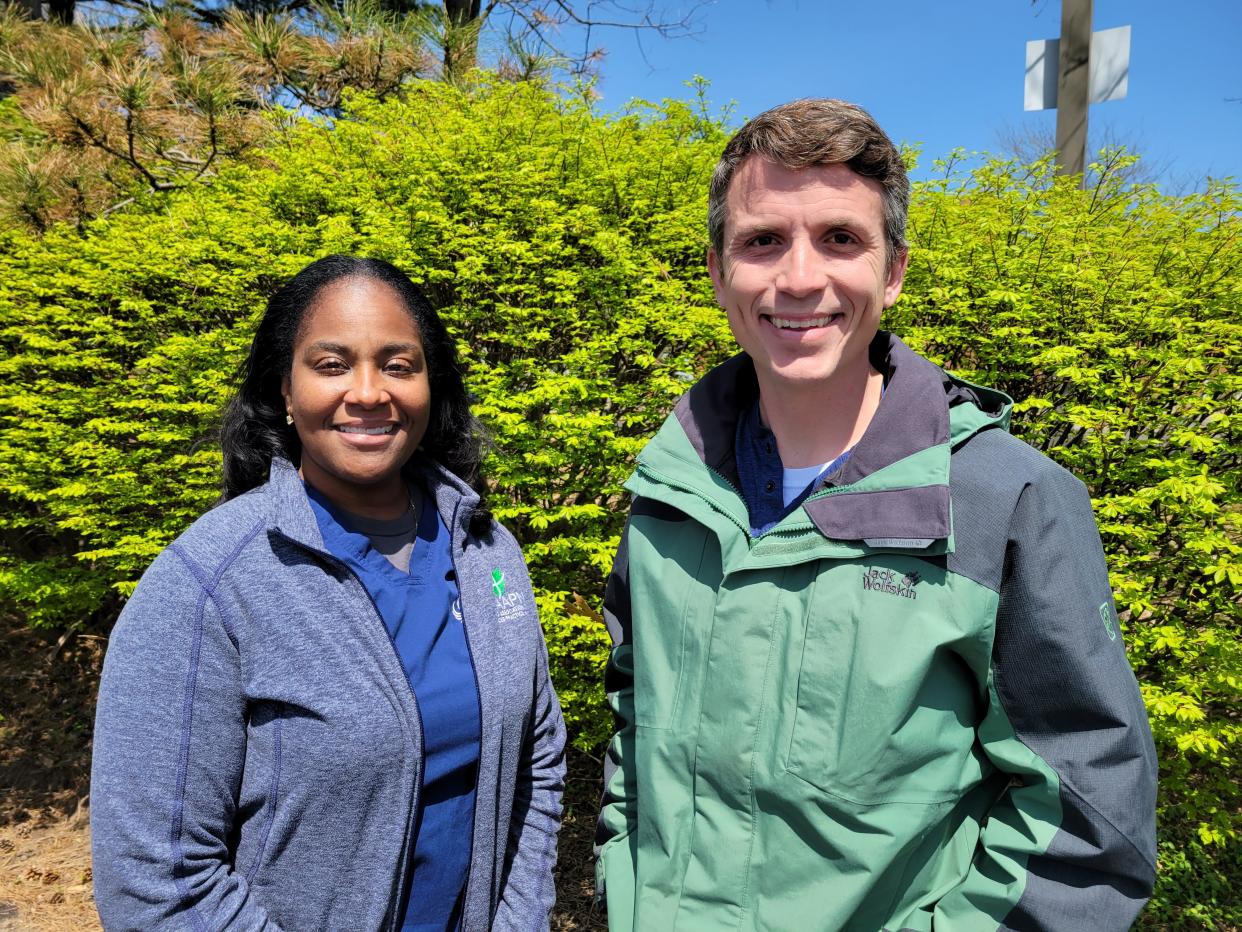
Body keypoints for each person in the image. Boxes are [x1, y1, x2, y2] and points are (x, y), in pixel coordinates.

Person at [595, 99, 1157, 931]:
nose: (798, 277)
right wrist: (621, 881)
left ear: (892, 271)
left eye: (840, 239)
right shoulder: (672, 492)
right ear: (718, 272)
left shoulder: (1001, 499)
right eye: (762, 241)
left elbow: (1088, 816)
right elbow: (632, 721)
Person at [91, 255, 566, 931]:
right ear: (285, 389)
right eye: (332, 363)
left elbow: (535, 763)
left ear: (433, 385)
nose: (369, 391)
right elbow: (157, 880)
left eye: (399, 364)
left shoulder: (489, 552)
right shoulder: (210, 586)